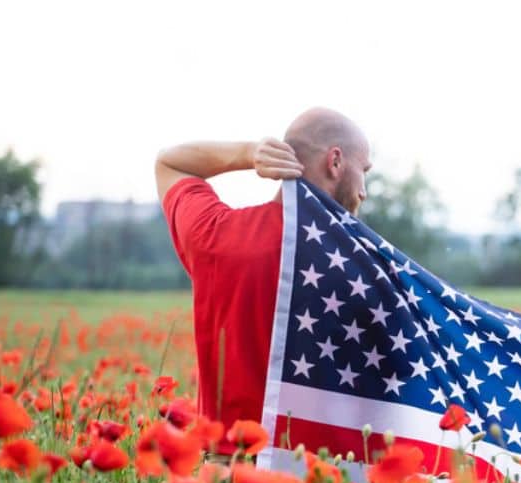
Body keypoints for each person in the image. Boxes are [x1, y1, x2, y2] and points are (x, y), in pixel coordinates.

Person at [154, 107, 372, 452]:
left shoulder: (218, 237)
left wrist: (248, 153)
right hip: (314, 476)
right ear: (335, 162)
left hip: (228, 475)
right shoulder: (363, 268)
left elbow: (170, 163)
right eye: (364, 171)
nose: (364, 191)